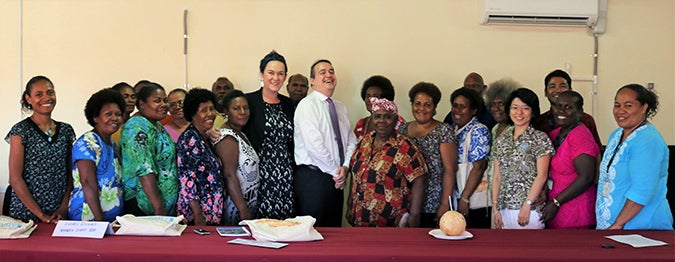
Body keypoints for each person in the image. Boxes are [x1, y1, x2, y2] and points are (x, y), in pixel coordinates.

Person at [596, 84, 672, 230]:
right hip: (615, 223)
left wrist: (618, 224)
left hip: (641, 226)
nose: (620, 111)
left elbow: (643, 190)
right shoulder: (617, 134)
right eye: (617, 105)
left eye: (628, 105)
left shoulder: (648, 141)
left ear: (644, 108)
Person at [294, 59, 357, 227]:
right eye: (322, 72)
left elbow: (351, 140)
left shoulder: (340, 107)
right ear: (312, 81)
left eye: (331, 71)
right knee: (314, 233)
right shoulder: (307, 105)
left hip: (336, 178)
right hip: (314, 179)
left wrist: (345, 167)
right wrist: (336, 173)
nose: (329, 75)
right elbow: (315, 146)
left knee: (334, 230)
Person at [347, 98, 427, 227]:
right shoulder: (365, 141)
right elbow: (355, 173)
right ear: (372, 119)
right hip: (361, 219)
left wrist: (414, 215)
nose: (382, 121)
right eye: (377, 116)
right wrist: (350, 203)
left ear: (395, 120)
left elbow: (419, 179)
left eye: (387, 117)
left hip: (391, 222)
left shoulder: (404, 147)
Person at [6, 75, 75, 223]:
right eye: (39, 94)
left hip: (59, 213)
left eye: (50, 92)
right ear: (28, 98)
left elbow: (70, 173)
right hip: (26, 214)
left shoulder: (66, 130)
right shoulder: (20, 131)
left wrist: (64, 207)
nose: (46, 98)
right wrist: (41, 215)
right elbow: (15, 178)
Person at [242, 50, 295, 220]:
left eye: (280, 74)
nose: (275, 78)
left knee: (284, 225)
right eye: (271, 73)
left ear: (285, 77)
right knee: (260, 224)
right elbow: (233, 126)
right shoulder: (249, 101)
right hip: (258, 174)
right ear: (261, 74)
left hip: (286, 174)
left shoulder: (289, 105)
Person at [492, 88, 554, 229]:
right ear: (508, 110)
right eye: (515, 108)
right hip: (503, 209)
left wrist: (527, 204)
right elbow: (496, 177)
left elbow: (542, 175)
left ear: (533, 112)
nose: (519, 113)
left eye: (525, 108)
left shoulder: (540, 138)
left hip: (530, 211)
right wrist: (495, 208)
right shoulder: (501, 140)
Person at [398, 82, 457, 228]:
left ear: (435, 108)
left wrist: (444, 205)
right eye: (417, 103)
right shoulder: (404, 129)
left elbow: (450, 170)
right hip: (407, 202)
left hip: (433, 202)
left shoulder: (444, 131)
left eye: (427, 105)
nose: (421, 109)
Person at [538, 91, 599, 229]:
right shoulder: (556, 133)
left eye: (568, 107)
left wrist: (556, 202)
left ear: (580, 111)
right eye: (558, 106)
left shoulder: (580, 136)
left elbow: (586, 177)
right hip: (556, 209)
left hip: (576, 212)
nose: (561, 111)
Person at [120, 82, 178, 216]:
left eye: (165, 100)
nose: (164, 105)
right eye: (157, 101)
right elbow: (144, 168)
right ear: (141, 105)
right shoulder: (136, 127)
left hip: (162, 204)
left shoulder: (157, 125)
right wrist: (158, 207)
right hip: (144, 204)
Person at [68, 89, 126, 222]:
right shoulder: (88, 143)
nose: (114, 118)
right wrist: (100, 221)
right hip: (89, 218)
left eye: (118, 114)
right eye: (108, 114)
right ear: (95, 117)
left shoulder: (111, 143)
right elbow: (87, 182)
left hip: (109, 221)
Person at [175, 88, 224, 225]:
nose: (210, 114)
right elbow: (187, 181)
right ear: (192, 114)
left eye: (212, 109)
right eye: (204, 110)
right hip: (196, 215)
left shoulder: (204, 137)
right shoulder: (189, 140)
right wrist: (198, 215)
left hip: (211, 211)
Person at [214, 90, 260, 225]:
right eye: (236, 108)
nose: (242, 112)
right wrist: (243, 209)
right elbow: (229, 175)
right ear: (226, 112)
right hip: (236, 206)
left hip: (247, 202)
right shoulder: (227, 137)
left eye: (245, 108)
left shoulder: (241, 133)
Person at [449, 88, 492, 228]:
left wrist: (465, 198)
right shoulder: (454, 130)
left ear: (474, 110)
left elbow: (479, 167)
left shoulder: (478, 130)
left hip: (472, 202)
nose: (457, 110)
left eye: (463, 107)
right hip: (458, 198)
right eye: (455, 105)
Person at [533, 69, 602, 148]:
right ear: (545, 92)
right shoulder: (539, 122)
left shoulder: (585, 119)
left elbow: (596, 150)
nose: (558, 90)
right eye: (552, 86)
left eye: (562, 86)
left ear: (570, 90)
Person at [353, 75, 405, 142]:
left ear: (386, 99)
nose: (371, 100)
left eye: (375, 96)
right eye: (368, 96)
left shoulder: (399, 122)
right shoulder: (361, 124)